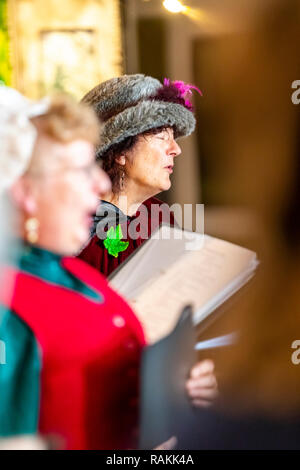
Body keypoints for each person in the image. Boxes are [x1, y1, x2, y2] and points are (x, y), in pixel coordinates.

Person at [0, 88, 217, 450]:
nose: (99, 183)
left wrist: (180, 386)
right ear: (26, 190)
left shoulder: (78, 275)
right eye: (80, 169)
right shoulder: (11, 298)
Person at [78, 74, 200, 277]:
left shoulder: (158, 213)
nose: (175, 149)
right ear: (119, 151)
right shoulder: (75, 228)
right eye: (161, 135)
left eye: (173, 136)